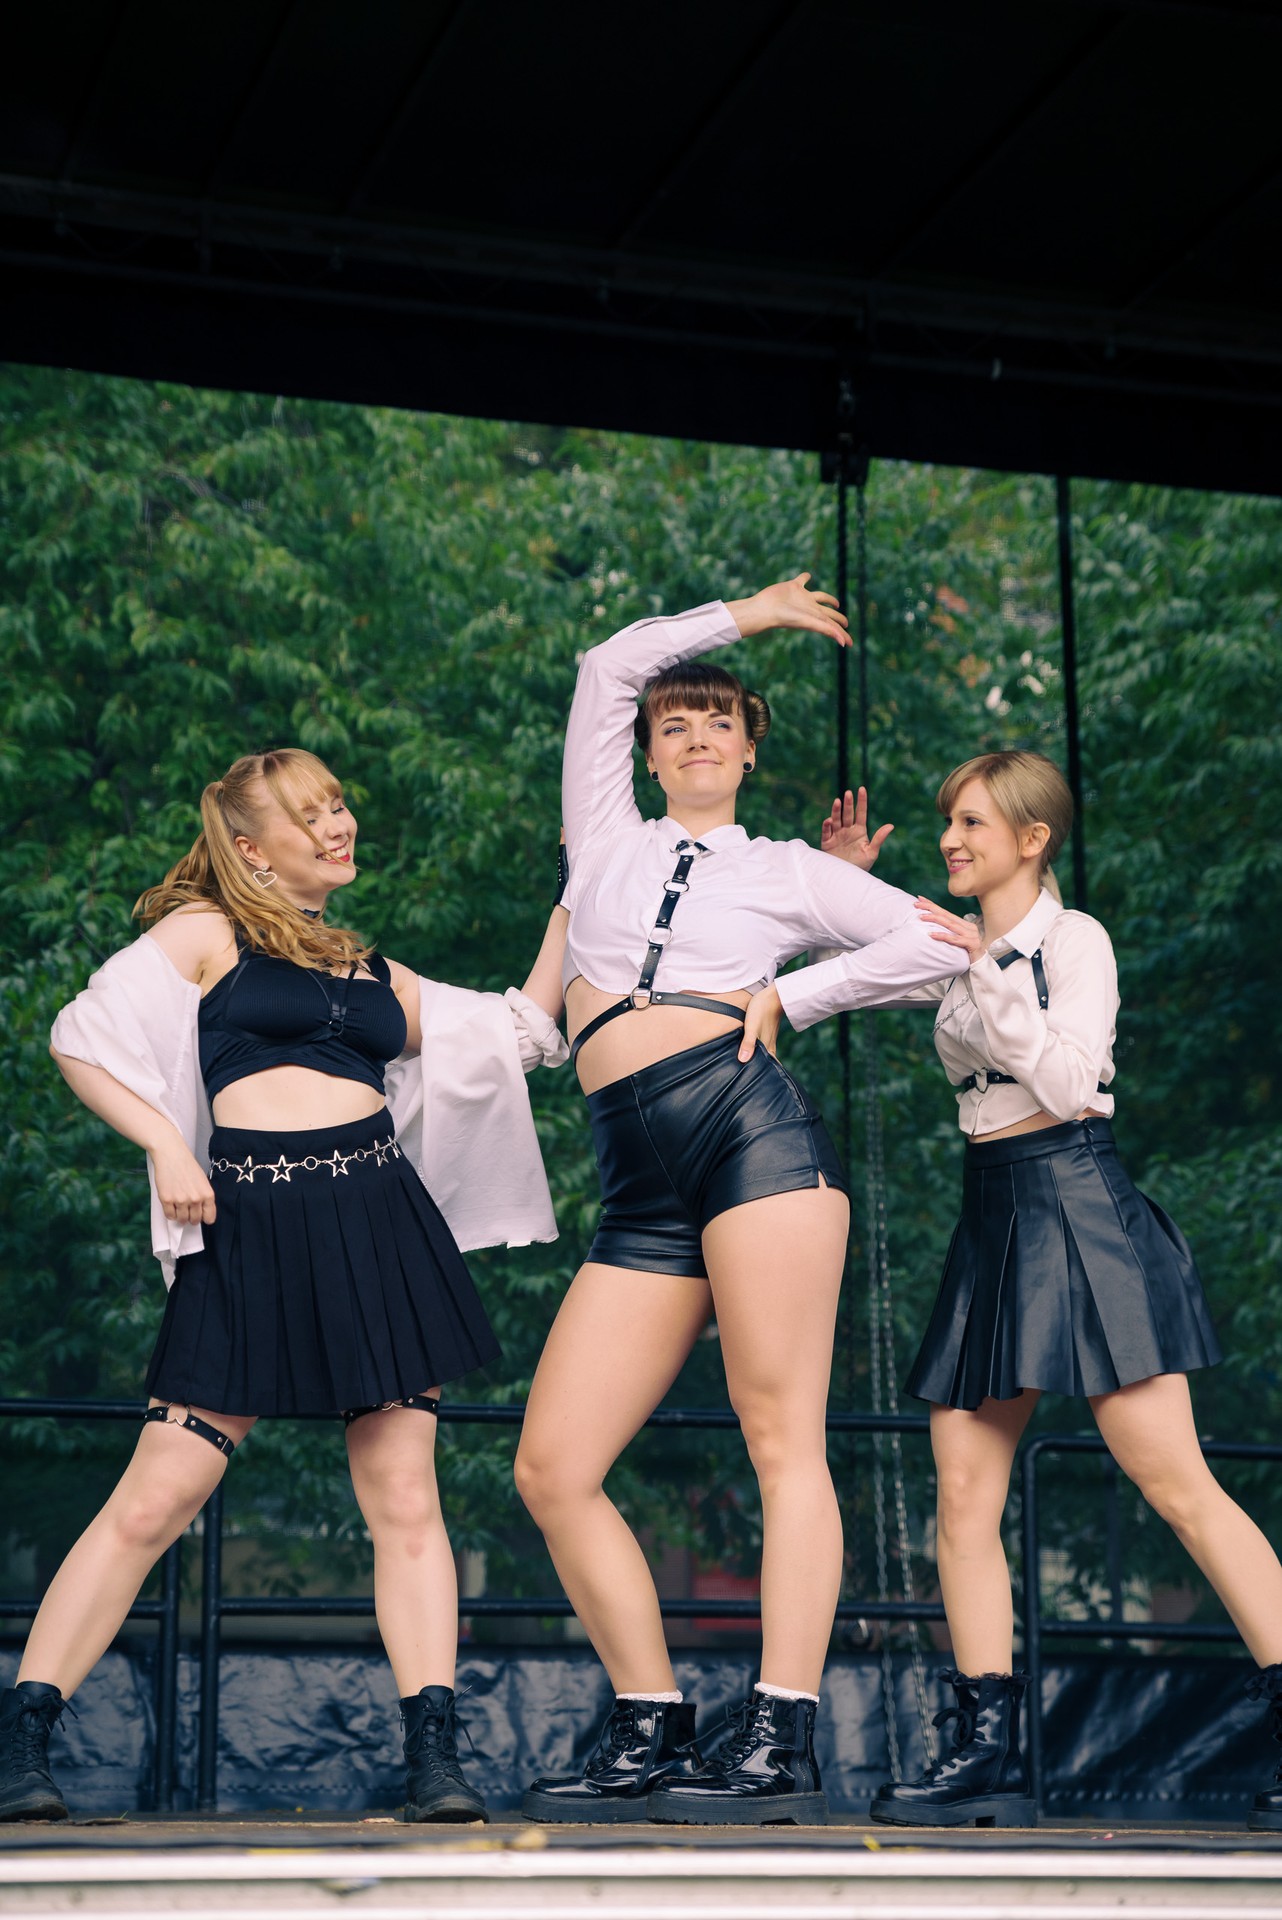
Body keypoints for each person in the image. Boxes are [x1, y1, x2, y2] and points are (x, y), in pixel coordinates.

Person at [0, 749, 566, 1827]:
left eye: (339, 805)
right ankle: (21, 1742)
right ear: (253, 849)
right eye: (312, 815)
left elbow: (519, 1035)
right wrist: (166, 1144)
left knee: (405, 1499)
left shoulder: (370, 967)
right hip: (248, 1228)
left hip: (376, 1223)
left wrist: (573, 898)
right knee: (153, 1499)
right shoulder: (206, 934)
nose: (339, 825)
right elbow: (81, 1037)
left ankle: (433, 1761)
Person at [513, 575, 969, 1827]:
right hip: (636, 1180)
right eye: (676, 723)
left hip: (751, 1139)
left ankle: (780, 1732)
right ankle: (649, 1717)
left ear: (750, 749)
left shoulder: (787, 873)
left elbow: (944, 944)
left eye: (720, 720)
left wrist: (797, 995)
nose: (697, 735)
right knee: (552, 1465)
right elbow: (606, 664)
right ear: (648, 751)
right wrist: (749, 615)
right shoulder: (601, 835)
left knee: (782, 1440)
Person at [794, 756, 1282, 1830]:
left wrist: (988, 972)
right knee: (963, 1497)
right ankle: (985, 1753)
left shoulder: (1075, 943)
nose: (950, 839)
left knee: (1177, 1485)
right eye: (947, 821)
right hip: (993, 1212)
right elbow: (849, 976)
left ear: (1032, 840)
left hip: (1078, 1200)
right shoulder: (953, 942)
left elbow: (1069, 1084)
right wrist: (841, 888)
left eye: (972, 823)